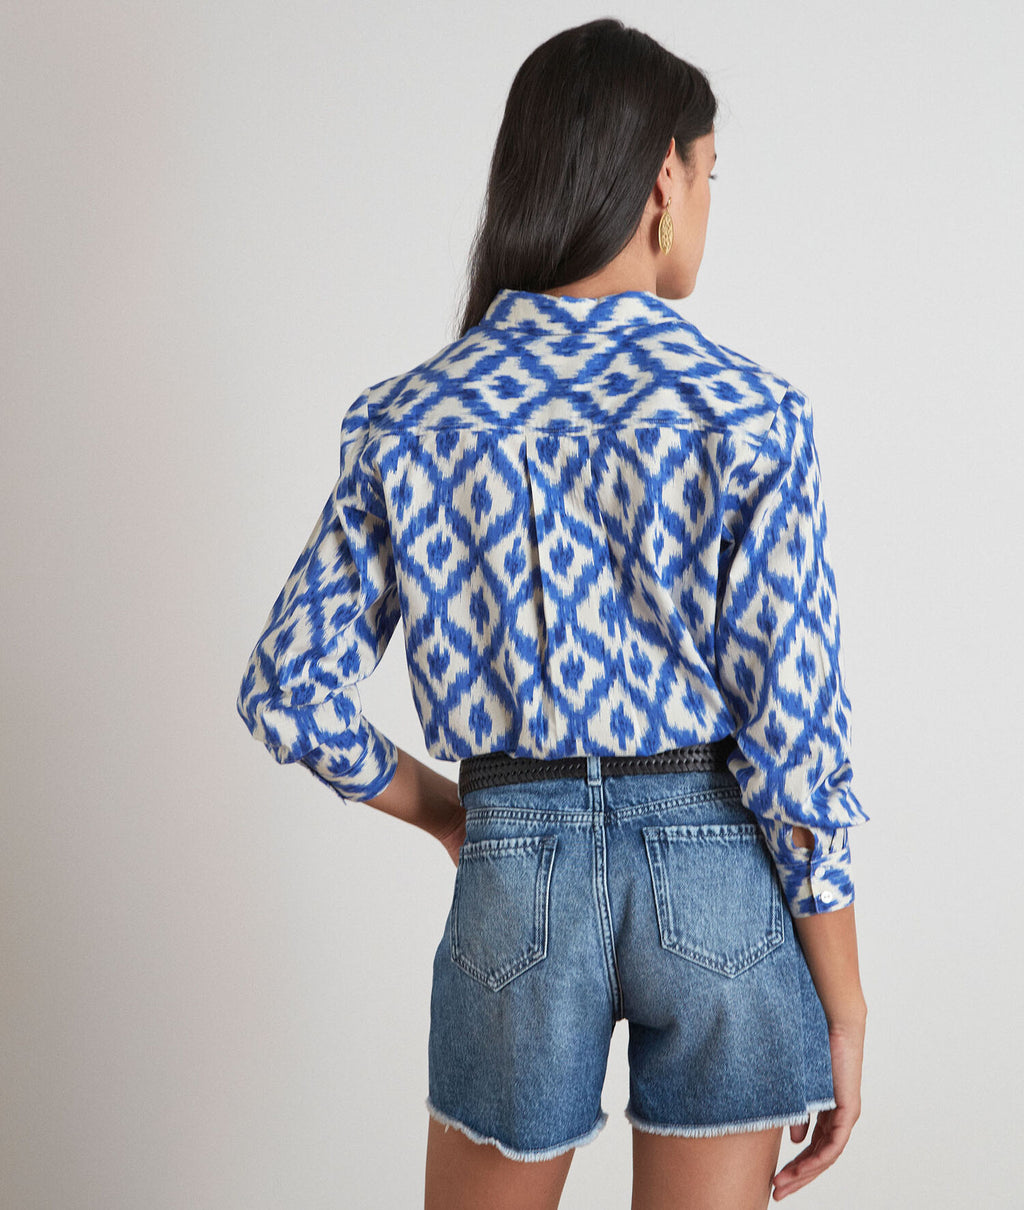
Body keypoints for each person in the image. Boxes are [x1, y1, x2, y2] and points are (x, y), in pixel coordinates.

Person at [235, 17, 869, 1210]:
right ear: (664, 179)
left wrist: (450, 814)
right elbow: (796, 747)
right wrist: (844, 1002)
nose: (708, 203)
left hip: (512, 862)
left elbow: (287, 692)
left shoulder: (411, 418)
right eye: (711, 173)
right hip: (720, 872)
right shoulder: (750, 415)